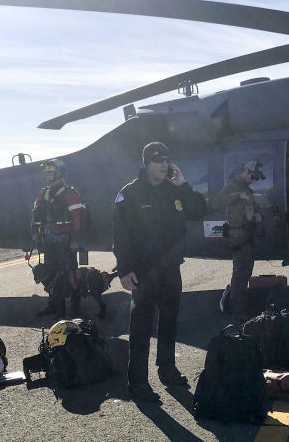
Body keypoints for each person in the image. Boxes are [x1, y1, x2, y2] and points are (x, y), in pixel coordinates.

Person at [113, 142, 208, 402]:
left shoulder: (174, 190)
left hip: (170, 270)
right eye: (158, 161)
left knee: (169, 322)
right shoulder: (129, 194)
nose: (164, 165)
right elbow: (121, 236)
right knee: (141, 328)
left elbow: (200, 210)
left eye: (167, 160)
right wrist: (124, 270)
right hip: (143, 273)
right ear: (147, 164)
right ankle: (138, 382)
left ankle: (167, 369)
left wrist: (184, 186)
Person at [31, 158, 86, 317]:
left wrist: (75, 239)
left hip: (66, 241)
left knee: (70, 274)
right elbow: (35, 213)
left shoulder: (70, 193)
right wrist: (36, 233)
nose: (47, 176)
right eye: (46, 173)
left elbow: (77, 218)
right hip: (49, 240)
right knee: (50, 274)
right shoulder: (44, 193)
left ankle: (76, 308)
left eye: (50, 172)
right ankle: (55, 306)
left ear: (60, 174)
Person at [213, 160, 265, 318]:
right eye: (254, 177)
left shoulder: (245, 188)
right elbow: (217, 203)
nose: (254, 180)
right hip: (239, 238)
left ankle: (240, 307)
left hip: (246, 236)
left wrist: (256, 216)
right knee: (240, 275)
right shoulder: (234, 186)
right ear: (247, 172)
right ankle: (237, 311)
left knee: (244, 273)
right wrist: (237, 195)